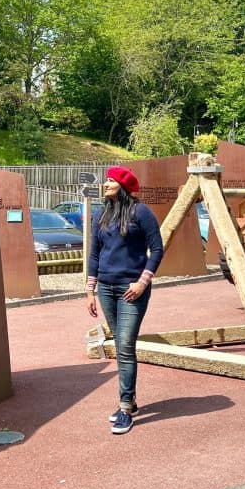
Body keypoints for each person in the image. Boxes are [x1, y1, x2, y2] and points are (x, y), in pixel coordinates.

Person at [86, 166, 164, 435]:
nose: (106, 184)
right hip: (106, 288)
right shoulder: (101, 214)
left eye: (111, 180)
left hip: (132, 289)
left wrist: (143, 282)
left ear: (123, 186)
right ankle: (130, 399)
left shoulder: (141, 212)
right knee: (120, 346)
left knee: (126, 346)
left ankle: (125, 408)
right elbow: (94, 254)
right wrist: (90, 290)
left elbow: (157, 249)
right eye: (106, 180)